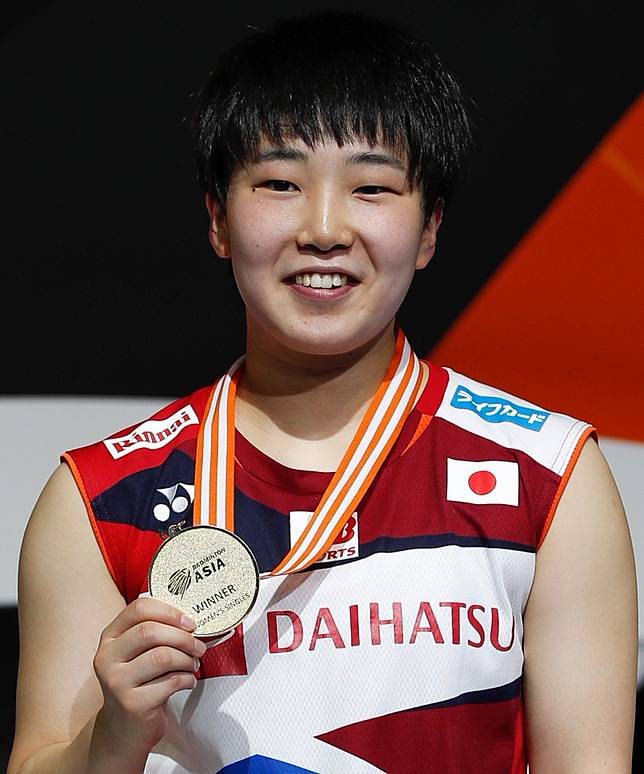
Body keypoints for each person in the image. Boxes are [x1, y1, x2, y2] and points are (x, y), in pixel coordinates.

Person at [8, 9, 637, 774]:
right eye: (280, 183)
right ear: (218, 218)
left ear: (430, 229)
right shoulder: (101, 499)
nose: (325, 229)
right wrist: (110, 739)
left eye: (372, 187)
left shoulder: (549, 477)